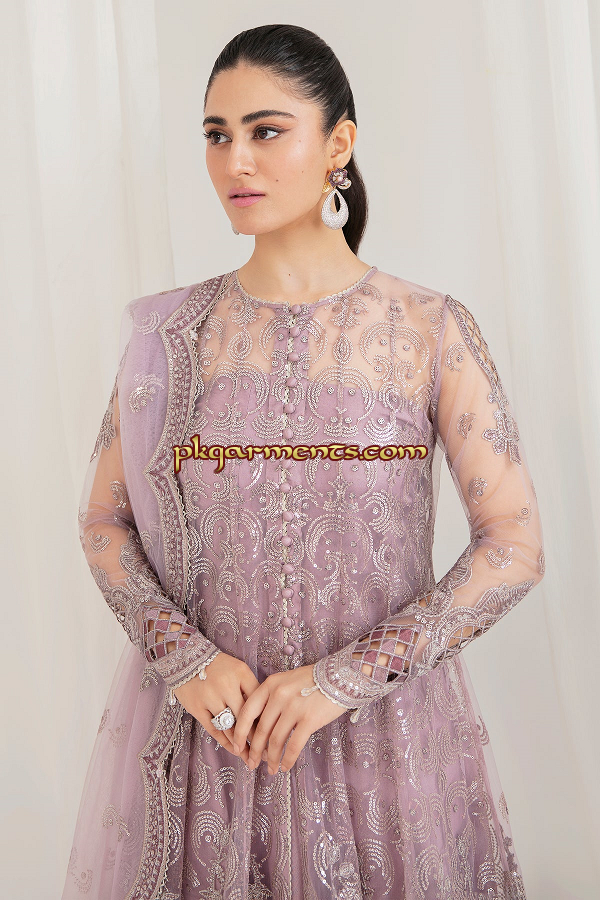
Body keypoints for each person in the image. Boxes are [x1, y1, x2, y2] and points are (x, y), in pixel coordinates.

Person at [62, 23, 545, 900]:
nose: (236, 160)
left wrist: (343, 680)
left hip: (386, 742)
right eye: (217, 135)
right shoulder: (171, 337)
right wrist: (182, 656)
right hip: (213, 740)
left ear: (339, 144)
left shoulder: (427, 329)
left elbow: (513, 544)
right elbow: (104, 520)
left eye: (266, 130)